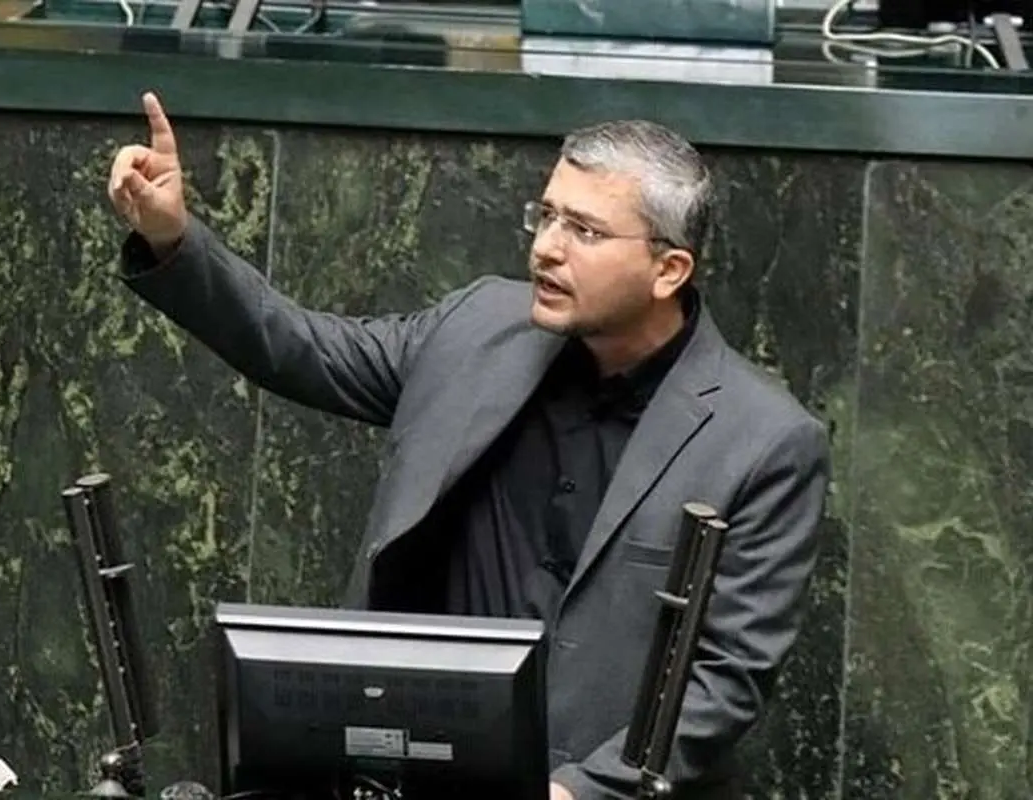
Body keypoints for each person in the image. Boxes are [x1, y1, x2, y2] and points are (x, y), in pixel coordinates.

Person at [108, 92, 831, 800]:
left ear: (668, 270)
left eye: (584, 231)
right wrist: (174, 238)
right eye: (546, 215)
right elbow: (303, 349)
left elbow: (724, 680)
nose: (546, 248)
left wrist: (579, 790)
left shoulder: (765, 441)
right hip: (411, 767)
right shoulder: (478, 328)